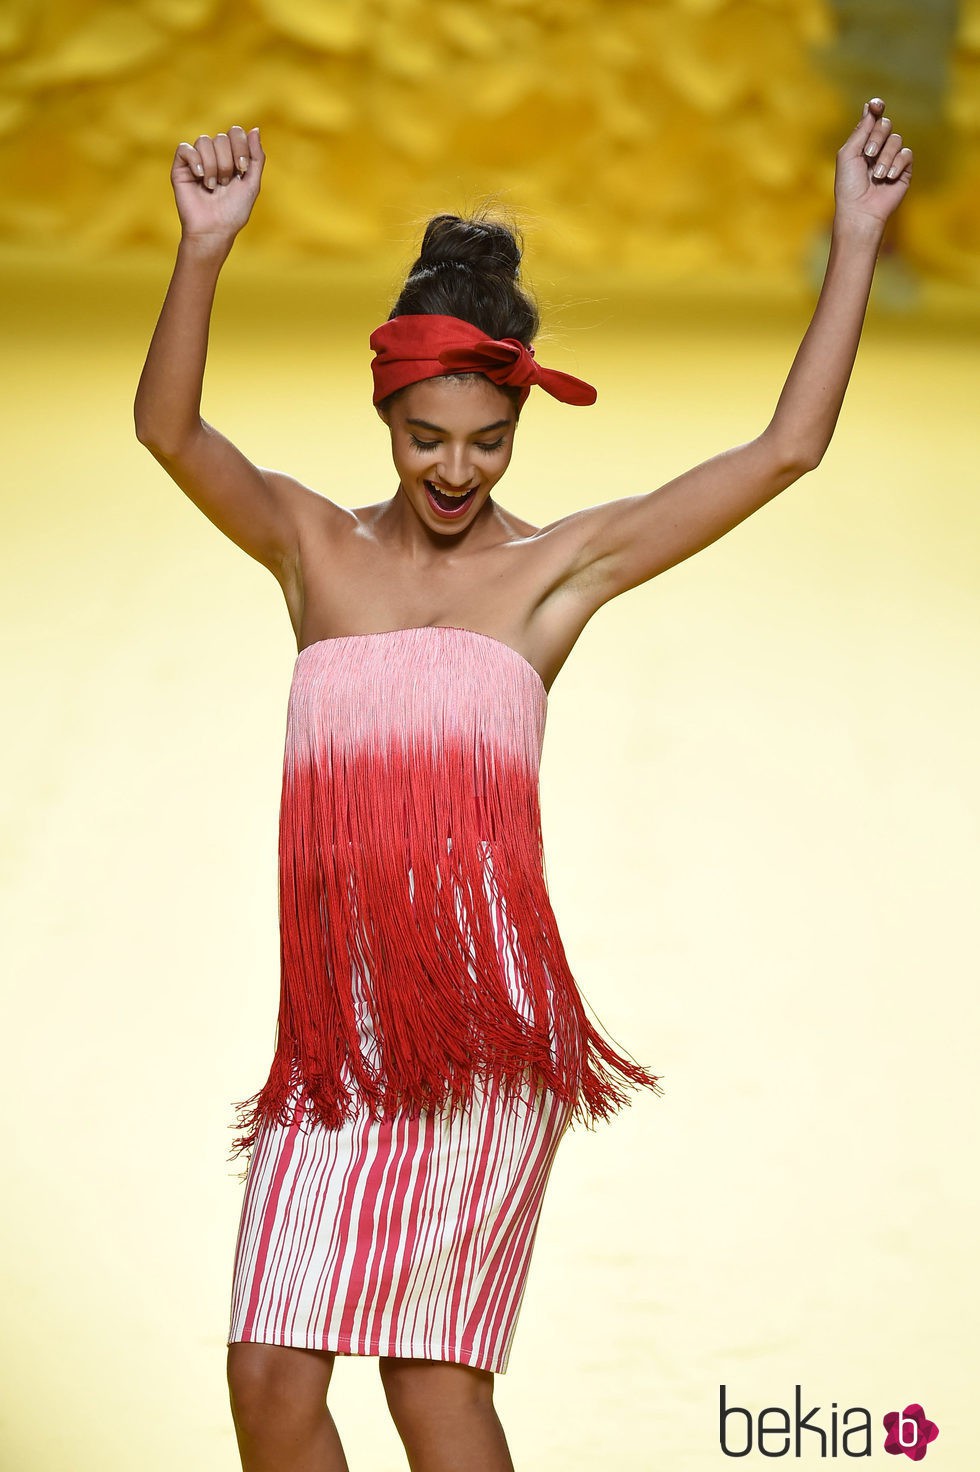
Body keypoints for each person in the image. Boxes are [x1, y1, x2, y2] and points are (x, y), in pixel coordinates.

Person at [133, 98, 912, 1472]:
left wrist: (854, 238)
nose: (455, 468)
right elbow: (171, 433)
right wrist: (202, 251)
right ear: (388, 412)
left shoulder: (553, 575)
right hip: (338, 1035)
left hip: (481, 1031)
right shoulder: (312, 549)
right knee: (269, 1380)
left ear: (517, 424)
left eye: (487, 440)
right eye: (427, 435)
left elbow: (784, 451)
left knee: (430, 1391)